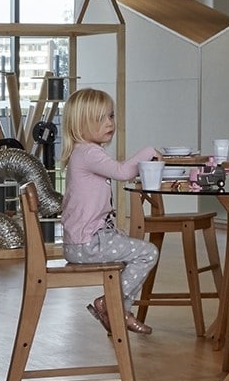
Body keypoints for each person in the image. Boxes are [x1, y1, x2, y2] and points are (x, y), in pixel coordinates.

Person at [59, 88, 161, 334]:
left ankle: (118, 311)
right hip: (88, 244)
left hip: (82, 242)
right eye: (101, 119)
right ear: (80, 124)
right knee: (147, 253)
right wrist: (149, 152)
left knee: (130, 248)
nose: (110, 124)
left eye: (111, 116)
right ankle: (111, 305)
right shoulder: (88, 152)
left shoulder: (83, 152)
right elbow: (123, 172)